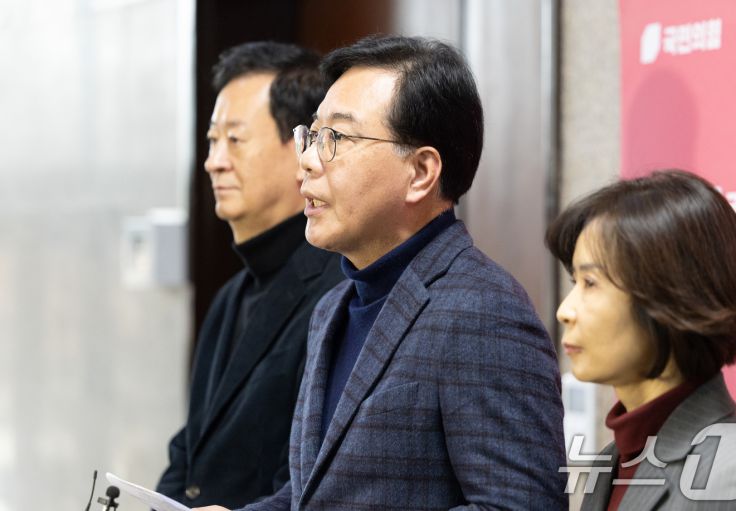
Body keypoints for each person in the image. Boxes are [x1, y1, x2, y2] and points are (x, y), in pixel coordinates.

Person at [195, 34, 567, 511]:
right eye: (312, 135)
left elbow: (518, 506)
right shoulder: (334, 307)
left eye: (337, 139)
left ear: (421, 172)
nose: (306, 161)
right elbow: (310, 496)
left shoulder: (483, 312)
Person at [156, 42, 344, 509]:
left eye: (235, 140)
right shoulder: (230, 296)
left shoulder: (338, 290)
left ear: (301, 147)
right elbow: (191, 450)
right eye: (212, 140)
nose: (214, 161)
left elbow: (307, 481)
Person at [547, 169, 736, 509]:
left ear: (670, 298)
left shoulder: (734, 481)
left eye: (591, 283)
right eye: (575, 282)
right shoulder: (615, 458)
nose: (565, 311)